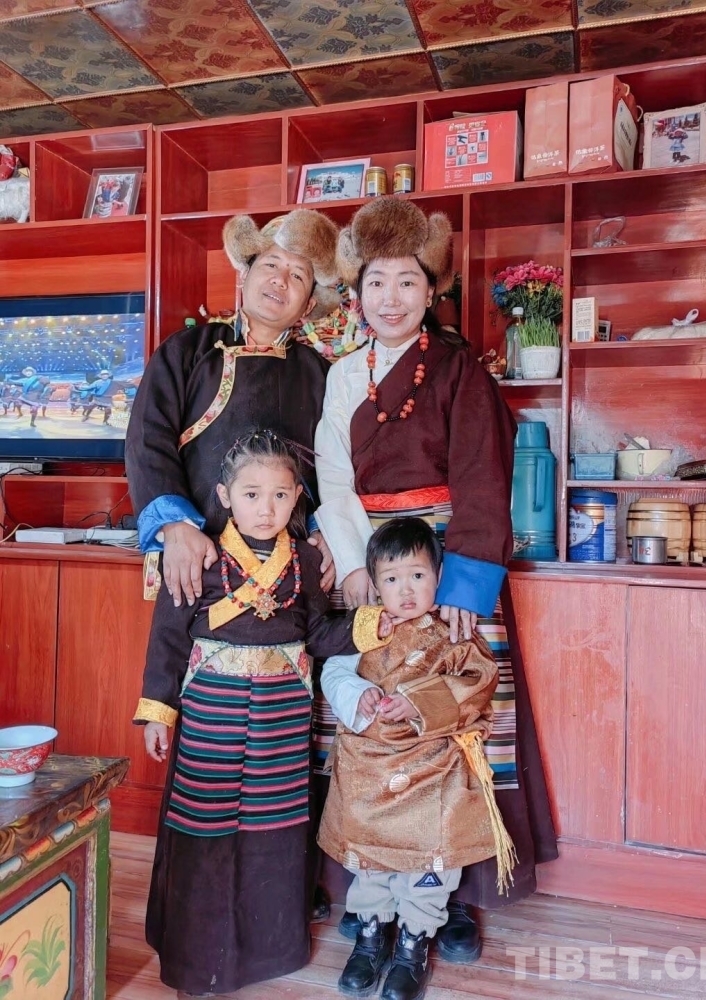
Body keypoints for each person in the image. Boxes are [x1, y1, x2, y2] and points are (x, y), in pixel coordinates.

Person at [313, 197, 558, 962]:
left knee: (459, 721)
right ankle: (372, 877)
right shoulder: (343, 375)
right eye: (376, 282)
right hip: (374, 565)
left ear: (431, 290)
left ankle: (455, 896)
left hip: (448, 565)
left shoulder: (459, 370)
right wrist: (356, 567)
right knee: (374, 718)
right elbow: (333, 480)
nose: (390, 298)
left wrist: (463, 589)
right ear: (356, 292)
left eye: (407, 282)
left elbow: (484, 477)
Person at [134, 430, 393, 997]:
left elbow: (318, 633)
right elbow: (168, 639)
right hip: (211, 714)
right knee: (205, 826)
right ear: (225, 495)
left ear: (297, 496)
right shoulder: (199, 555)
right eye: (251, 495)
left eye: (280, 495)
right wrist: (158, 712)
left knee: (274, 828)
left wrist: (372, 625)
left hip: (282, 717)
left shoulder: (304, 559)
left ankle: (272, 948)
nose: (266, 508)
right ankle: (197, 957)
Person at [319, 518, 515, 1000]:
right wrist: (358, 694)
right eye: (391, 578)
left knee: (430, 859)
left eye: (417, 575)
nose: (405, 590)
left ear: (439, 576)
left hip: (433, 770)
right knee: (370, 857)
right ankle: (371, 935)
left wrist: (419, 703)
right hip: (371, 768)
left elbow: (478, 682)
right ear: (374, 584)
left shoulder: (455, 634)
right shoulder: (365, 630)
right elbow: (335, 672)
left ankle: (413, 942)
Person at [125, 207, 342, 609]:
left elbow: (335, 468)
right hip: (197, 558)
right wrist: (175, 526)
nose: (280, 280)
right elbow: (147, 439)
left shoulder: (321, 374)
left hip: (289, 570)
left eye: (297, 275)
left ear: (308, 305)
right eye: (271, 264)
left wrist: (330, 532)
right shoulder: (187, 351)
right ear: (245, 275)